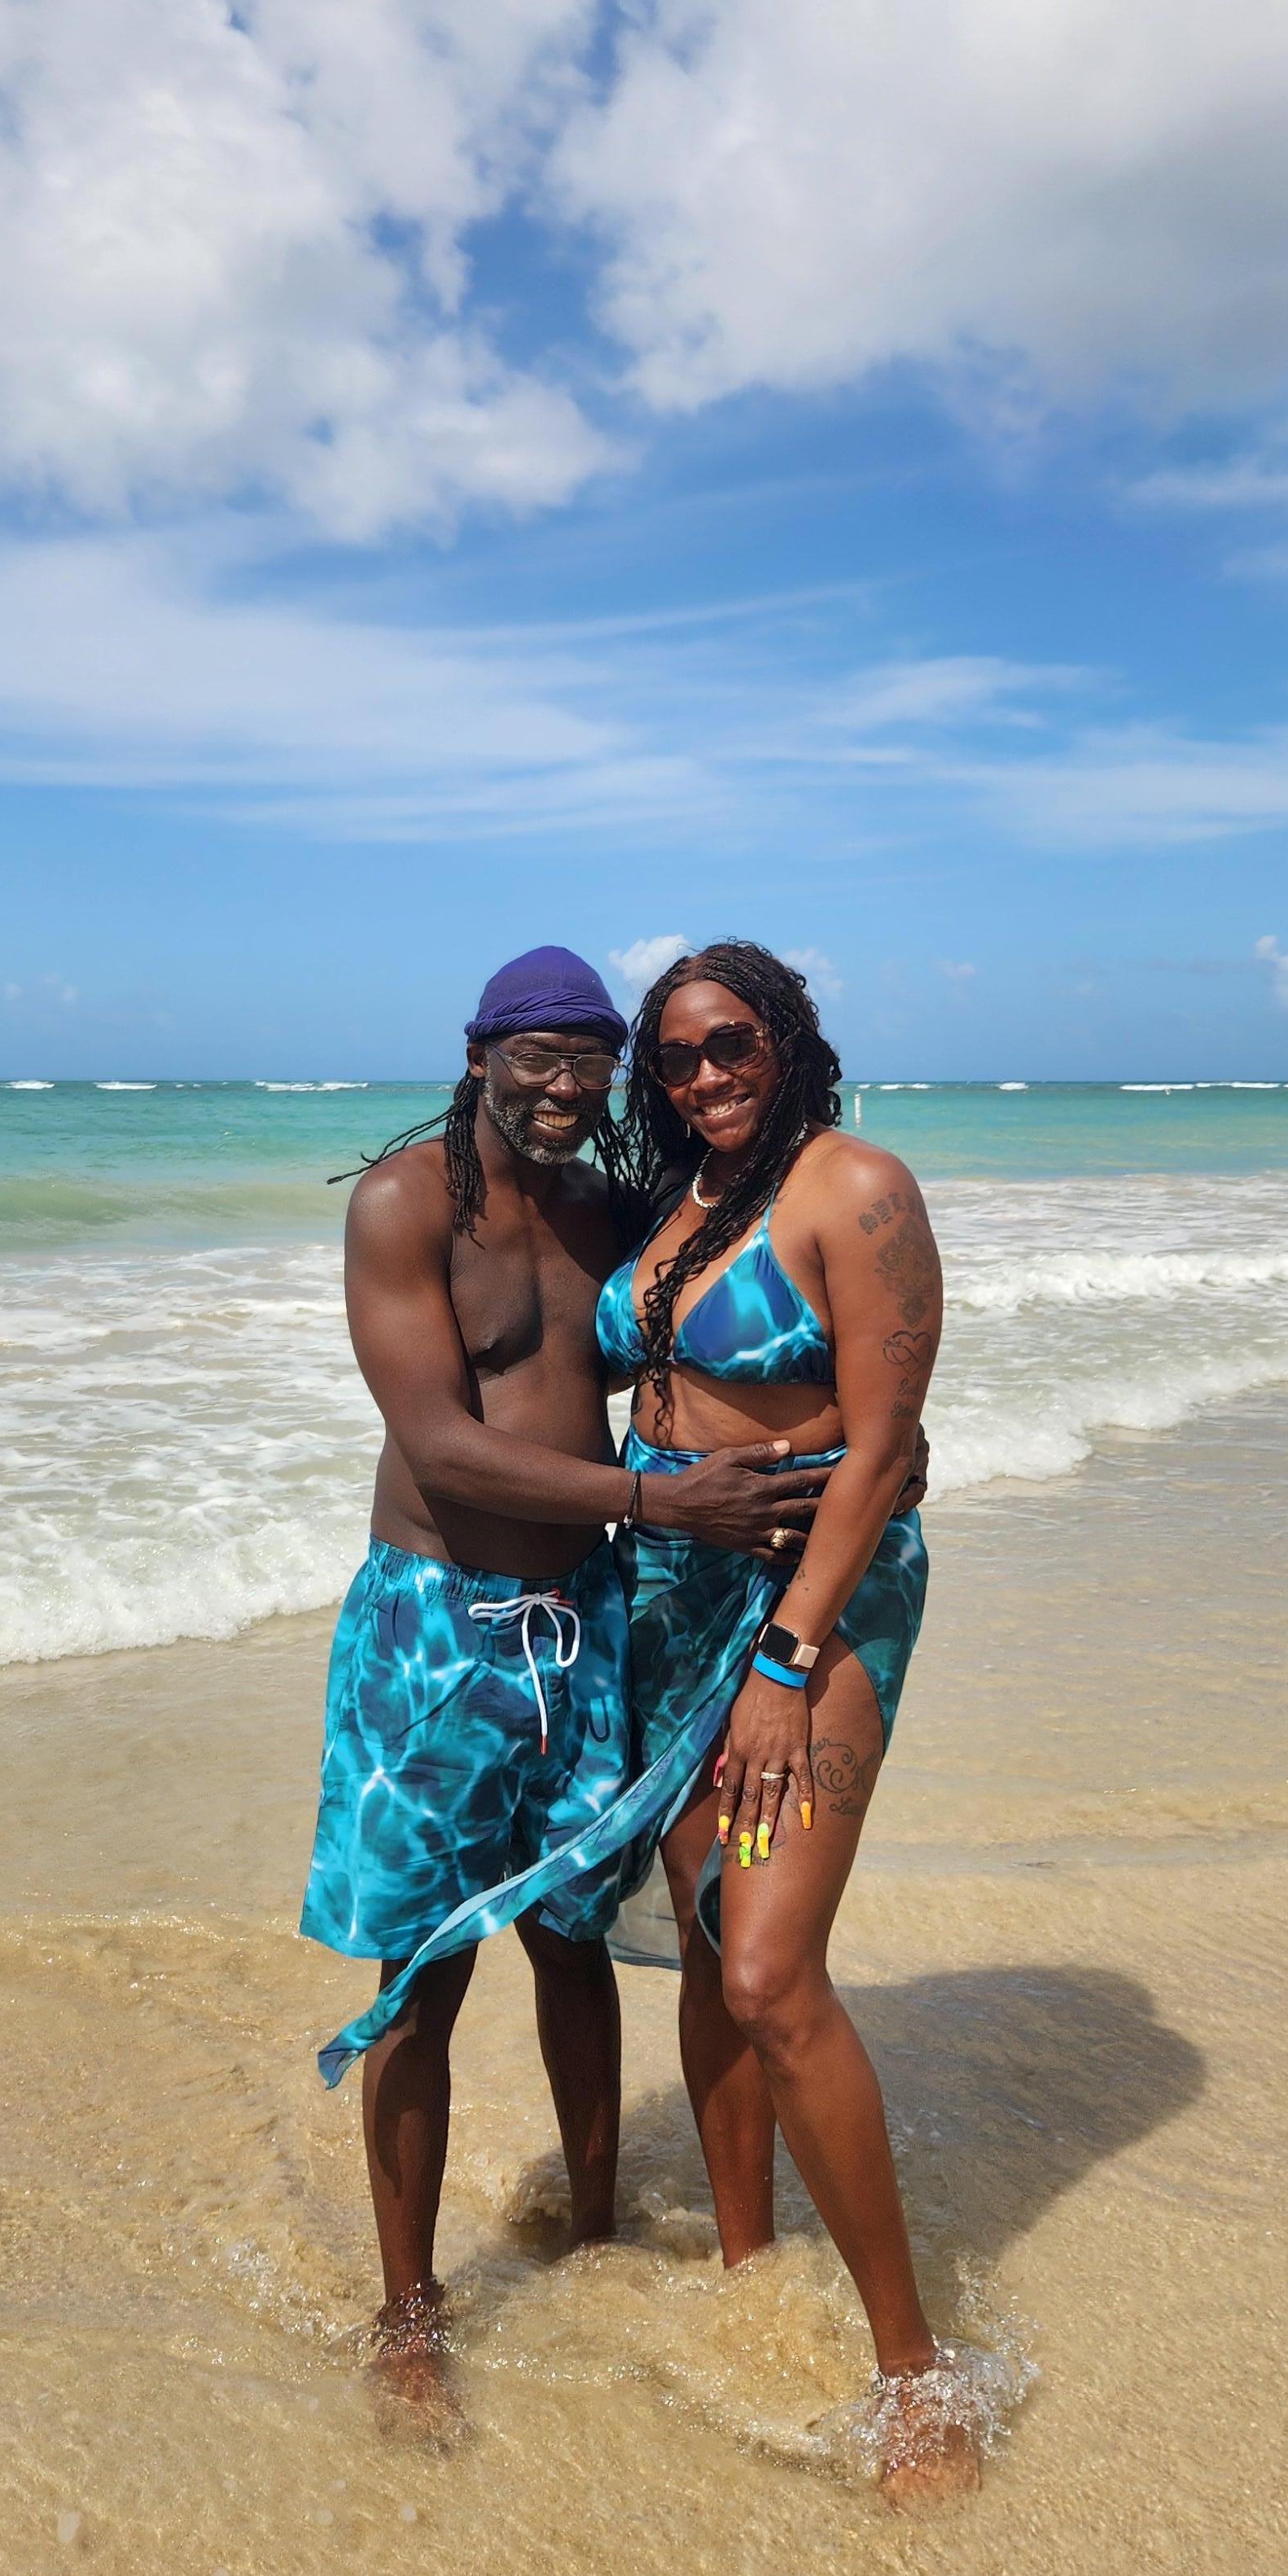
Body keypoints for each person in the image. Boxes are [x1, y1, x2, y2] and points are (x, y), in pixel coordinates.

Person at [301, 946, 837, 2442]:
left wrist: (859, 1447)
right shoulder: (402, 1206)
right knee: (422, 1973)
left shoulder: (606, 1207)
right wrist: (661, 1509)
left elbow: (693, 1345)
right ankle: (410, 2310)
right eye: (532, 1055)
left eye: (586, 1060)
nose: (559, 1085)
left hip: (586, 1622)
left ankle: (592, 2227)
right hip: (435, 1626)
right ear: (478, 1054)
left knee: (571, 1938)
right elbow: (444, 1442)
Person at [594, 940, 977, 2511]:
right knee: (699, 1941)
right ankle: (751, 2268)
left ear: (788, 1037)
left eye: (728, 1044)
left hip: (809, 1606)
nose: (702, 1077)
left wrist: (789, 1650)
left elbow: (886, 1446)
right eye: (673, 1059)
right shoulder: (677, 1202)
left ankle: (914, 2374)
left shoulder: (855, 1189)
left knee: (770, 1969)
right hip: (665, 1597)